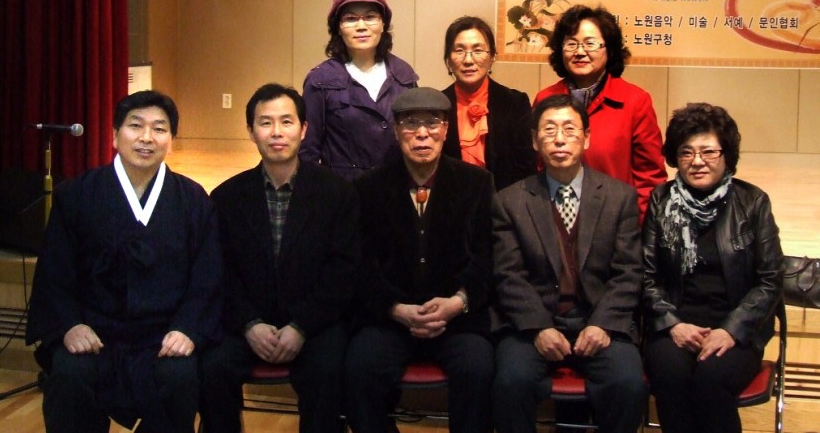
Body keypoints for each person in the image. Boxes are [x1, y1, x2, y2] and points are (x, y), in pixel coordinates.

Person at [25, 90, 223, 433]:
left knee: (179, 375)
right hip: (94, 331)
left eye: (159, 129)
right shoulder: (77, 195)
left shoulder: (193, 200)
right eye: (136, 126)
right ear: (115, 135)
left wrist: (187, 328)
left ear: (171, 141)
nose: (147, 137)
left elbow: (207, 277)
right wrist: (70, 325)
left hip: (163, 334)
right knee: (70, 373)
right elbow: (55, 273)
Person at [200, 84, 359, 433]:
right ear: (251, 131)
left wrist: (301, 326)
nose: (276, 132)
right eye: (265, 122)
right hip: (247, 324)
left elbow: (343, 272)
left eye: (286, 122)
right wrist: (249, 324)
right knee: (212, 367)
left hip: (315, 324)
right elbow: (220, 273)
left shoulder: (337, 193)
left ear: (303, 129)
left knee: (328, 370)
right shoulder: (226, 197)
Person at [492, 94, 647, 433]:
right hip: (535, 323)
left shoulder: (619, 197)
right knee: (510, 382)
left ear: (586, 138)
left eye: (569, 129)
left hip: (600, 321)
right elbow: (508, 275)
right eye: (549, 130)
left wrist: (602, 324)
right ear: (535, 141)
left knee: (628, 384)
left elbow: (628, 272)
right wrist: (539, 327)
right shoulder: (510, 201)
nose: (559, 139)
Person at [344, 87, 495, 433]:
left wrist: (458, 302)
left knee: (478, 368)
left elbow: (487, 256)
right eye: (411, 123)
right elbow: (361, 264)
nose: (422, 133)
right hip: (390, 318)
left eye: (432, 123)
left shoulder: (476, 183)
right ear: (397, 131)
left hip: (457, 319)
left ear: (446, 129)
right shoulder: (368, 187)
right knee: (359, 369)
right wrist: (396, 308)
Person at [642, 102, 783, 433]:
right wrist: (673, 324)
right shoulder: (661, 200)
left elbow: (769, 280)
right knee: (671, 375)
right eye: (686, 152)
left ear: (726, 155)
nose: (697, 161)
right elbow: (646, 277)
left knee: (711, 379)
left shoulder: (753, 202)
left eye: (708, 151)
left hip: (734, 328)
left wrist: (730, 330)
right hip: (675, 325)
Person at [533, 4, 666, 220]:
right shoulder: (545, 99)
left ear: (609, 49)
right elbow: (537, 167)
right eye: (571, 44)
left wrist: (634, 228)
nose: (580, 52)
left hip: (615, 223)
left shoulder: (635, 101)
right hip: (555, 221)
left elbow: (649, 180)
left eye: (590, 43)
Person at [300, 0, 418, 179]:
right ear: (338, 28)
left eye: (370, 17)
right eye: (351, 19)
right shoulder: (320, 80)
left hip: (394, 187)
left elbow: (415, 135)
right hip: (342, 189)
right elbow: (308, 149)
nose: (361, 26)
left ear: (383, 25)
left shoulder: (404, 74)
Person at [441, 15, 537, 191]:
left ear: (492, 56)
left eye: (478, 50)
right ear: (448, 59)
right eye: (459, 51)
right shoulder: (438, 106)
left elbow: (526, 168)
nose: (468, 60)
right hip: (451, 204)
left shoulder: (515, 103)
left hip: (505, 202)